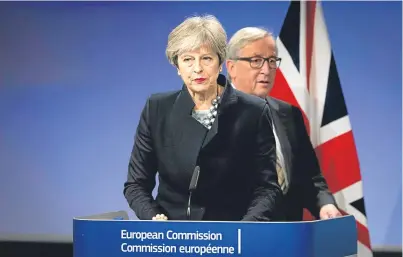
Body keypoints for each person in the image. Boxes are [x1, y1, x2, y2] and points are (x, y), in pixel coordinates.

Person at [123, 16, 282, 222]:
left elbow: (267, 188)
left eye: (206, 58)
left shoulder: (253, 111)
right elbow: (135, 184)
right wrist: (154, 217)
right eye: (188, 59)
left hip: (231, 236)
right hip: (173, 235)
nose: (197, 68)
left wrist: (245, 229)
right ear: (177, 67)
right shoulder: (157, 108)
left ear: (220, 63)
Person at [226, 27, 341, 221]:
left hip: (287, 238)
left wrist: (325, 204)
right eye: (256, 61)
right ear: (231, 67)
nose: (266, 70)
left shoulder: (289, 114)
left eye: (272, 61)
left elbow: (310, 177)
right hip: (237, 236)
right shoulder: (213, 115)